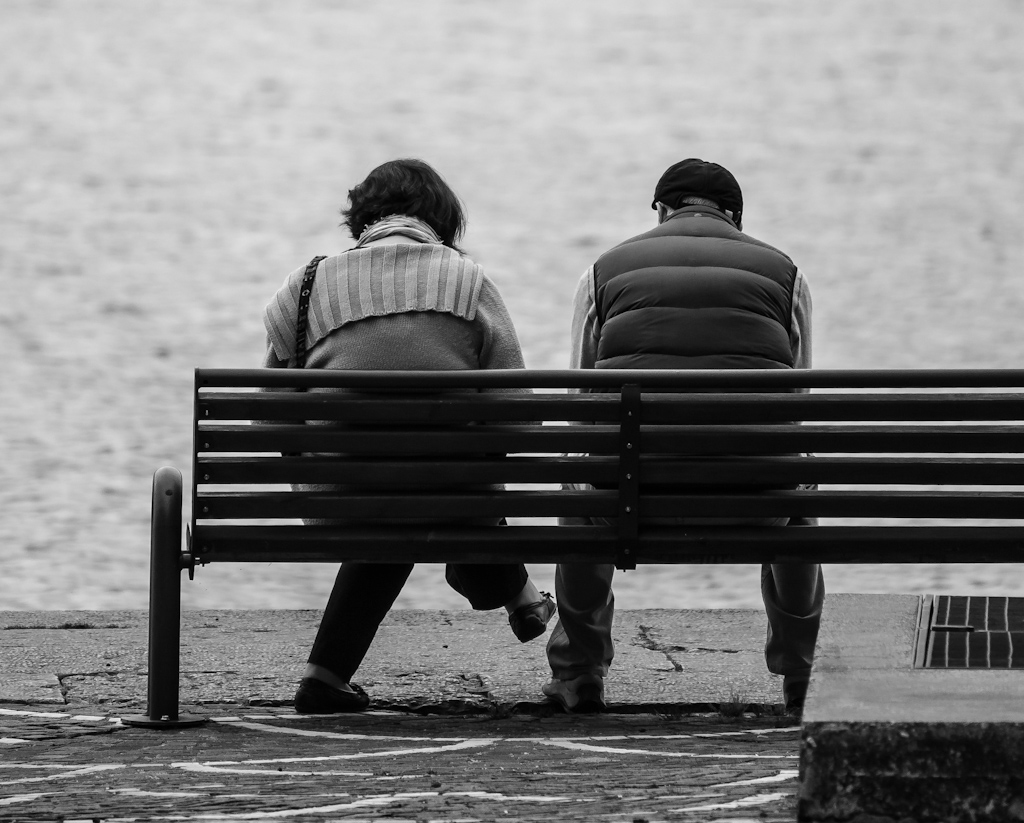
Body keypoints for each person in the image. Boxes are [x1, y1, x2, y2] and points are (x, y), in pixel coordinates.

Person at [261, 158, 556, 714]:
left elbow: (268, 419)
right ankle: (519, 594)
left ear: (362, 218)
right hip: (451, 496)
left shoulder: (303, 289)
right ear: (441, 219)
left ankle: (324, 678)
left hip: (340, 501)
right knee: (437, 488)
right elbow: (520, 417)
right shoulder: (469, 283)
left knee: (394, 499)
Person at [543, 158, 824, 716]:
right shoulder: (788, 274)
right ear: (734, 217)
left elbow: (582, 402)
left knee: (582, 476)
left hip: (630, 502)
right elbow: (798, 404)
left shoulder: (602, 271)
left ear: (662, 211)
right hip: (757, 504)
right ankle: (800, 675)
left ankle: (579, 671)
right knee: (800, 482)